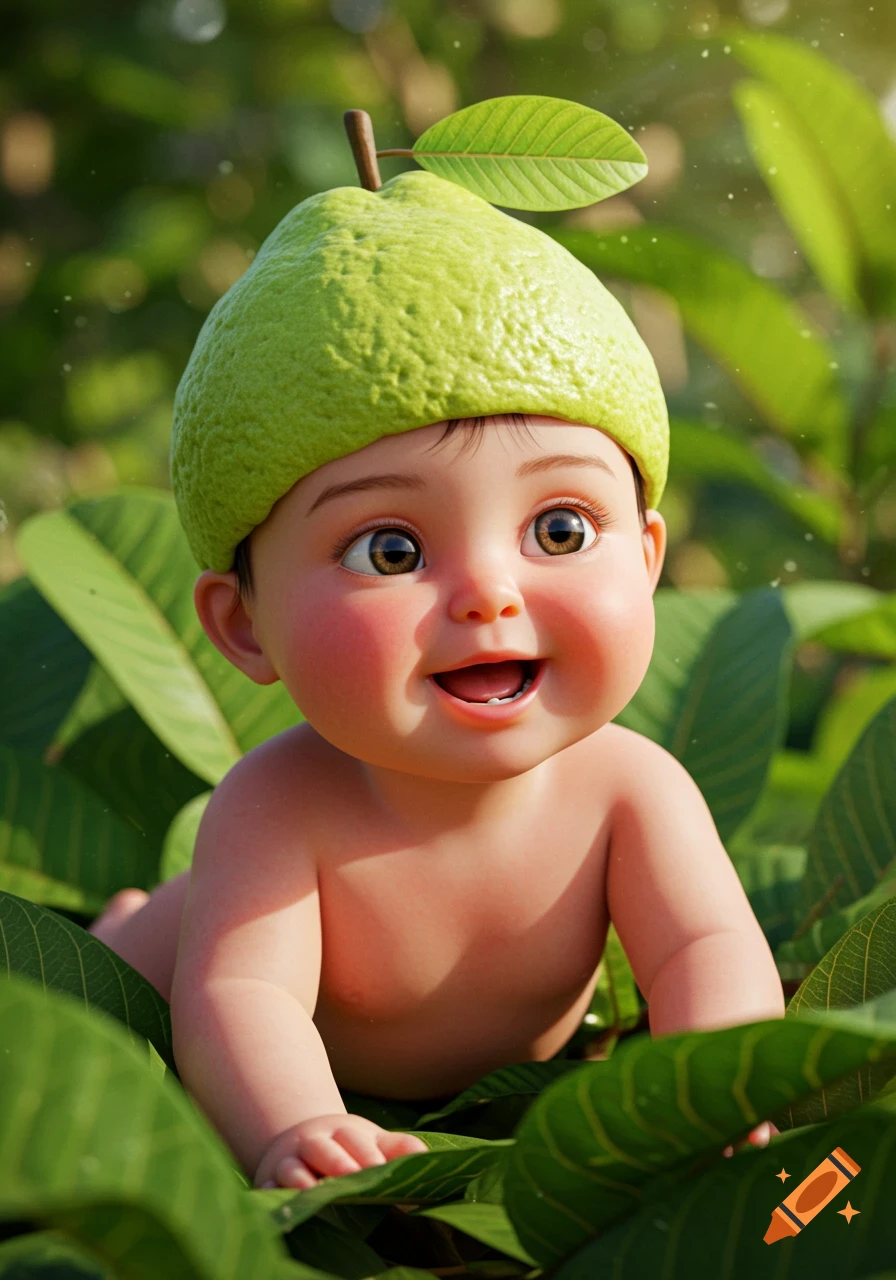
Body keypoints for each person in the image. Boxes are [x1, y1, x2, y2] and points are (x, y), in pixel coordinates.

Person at [90, 168, 784, 1192]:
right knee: (136, 967)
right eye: (389, 549)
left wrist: (720, 1085)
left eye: (558, 529)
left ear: (643, 558)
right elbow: (242, 993)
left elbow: (704, 947)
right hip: (239, 997)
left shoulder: (629, 785)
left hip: (512, 1079)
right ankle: (124, 924)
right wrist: (298, 1125)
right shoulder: (277, 804)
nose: (488, 594)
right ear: (244, 625)